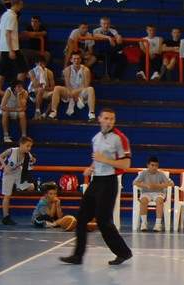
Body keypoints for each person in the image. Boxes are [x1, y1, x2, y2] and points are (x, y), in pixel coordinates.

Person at [59, 109, 133, 266]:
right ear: (99, 119)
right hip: (96, 181)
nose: (109, 121)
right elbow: (97, 158)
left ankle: (124, 252)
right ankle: (77, 256)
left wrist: (104, 160)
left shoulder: (120, 138)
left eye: (112, 119)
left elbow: (126, 164)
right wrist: (91, 167)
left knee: (103, 221)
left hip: (109, 182)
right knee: (81, 218)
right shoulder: (96, 138)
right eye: (106, 118)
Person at [0, 135, 35, 224]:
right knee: (7, 196)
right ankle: (5, 217)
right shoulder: (11, 150)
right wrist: (4, 166)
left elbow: (32, 160)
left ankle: (16, 187)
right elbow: (0, 156)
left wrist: (33, 160)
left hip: (18, 173)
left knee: (31, 187)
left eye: (30, 146)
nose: (29, 148)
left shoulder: (28, 155)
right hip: (8, 174)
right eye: (27, 146)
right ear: (21, 144)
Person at [49, 52, 95, 120]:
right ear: (71, 60)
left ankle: (91, 113)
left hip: (81, 92)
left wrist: (75, 93)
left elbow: (86, 86)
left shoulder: (86, 70)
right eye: (74, 59)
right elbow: (67, 85)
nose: (76, 60)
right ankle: (53, 112)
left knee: (90, 89)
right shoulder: (67, 70)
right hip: (70, 91)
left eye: (78, 59)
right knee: (57, 88)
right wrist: (73, 94)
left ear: (80, 60)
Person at [133, 156, 173, 232]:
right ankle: (144, 223)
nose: (154, 167)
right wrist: (146, 185)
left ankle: (158, 224)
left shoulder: (161, 174)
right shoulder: (143, 173)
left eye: (156, 166)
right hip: (146, 193)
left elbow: (171, 184)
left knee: (159, 201)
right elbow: (135, 182)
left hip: (158, 193)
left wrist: (158, 186)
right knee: (143, 201)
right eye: (152, 165)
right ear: (148, 165)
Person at [0, 0, 25, 91]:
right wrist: (11, 50)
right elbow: (7, 33)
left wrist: (1, 47)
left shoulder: (4, 14)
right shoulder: (12, 16)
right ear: (16, 4)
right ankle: (18, 90)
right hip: (12, 48)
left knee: (2, 71)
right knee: (22, 69)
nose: (21, 7)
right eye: (21, 5)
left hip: (4, 47)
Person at [92, 16, 124, 81]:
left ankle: (115, 76)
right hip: (99, 53)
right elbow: (95, 35)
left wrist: (119, 37)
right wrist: (108, 37)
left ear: (110, 24)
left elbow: (117, 37)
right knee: (107, 54)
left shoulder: (113, 30)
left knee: (122, 58)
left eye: (108, 24)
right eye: (104, 24)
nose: (106, 26)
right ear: (100, 24)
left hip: (110, 52)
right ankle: (106, 75)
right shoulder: (96, 30)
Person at [0, 79, 28, 144]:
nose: (21, 88)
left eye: (21, 87)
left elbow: (22, 107)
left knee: (22, 114)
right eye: (18, 87)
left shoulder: (25, 93)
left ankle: (24, 136)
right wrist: (16, 110)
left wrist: (19, 96)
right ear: (14, 88)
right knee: (5, 113)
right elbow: (2, 107)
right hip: (8, 109)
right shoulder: (8, 91)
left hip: (17, 111)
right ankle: (6, 136)